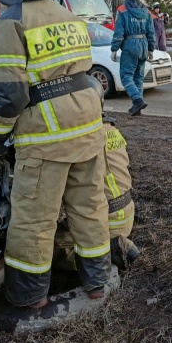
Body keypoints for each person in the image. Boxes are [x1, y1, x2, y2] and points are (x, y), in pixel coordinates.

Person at [0, 0, 111, 309]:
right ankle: (97, 283)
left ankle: (29, 297)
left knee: (34, 220)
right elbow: (82, 75)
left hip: (46, 139)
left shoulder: (9, 24)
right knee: (90, 207)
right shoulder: (69, 17)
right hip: (88, 129)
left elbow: (6, 95)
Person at [53, 117, 140, 273]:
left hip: (103, 220)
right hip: (126, 214)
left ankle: (108, 254)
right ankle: (114, 243)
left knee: (49, 247)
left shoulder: (81, 136)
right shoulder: (110, 128)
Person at [110, 0, 156, 116]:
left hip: (130, 45)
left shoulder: (123, 10)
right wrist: (151, 49)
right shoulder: (146, 11)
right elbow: (151, 32)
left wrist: (114, 49)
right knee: (138, 78)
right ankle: (138, 108)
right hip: (143, 45)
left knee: (126, 76)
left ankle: (137, 101)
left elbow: (119, 32)